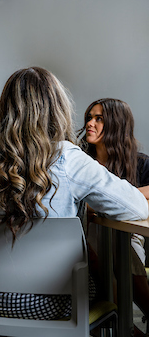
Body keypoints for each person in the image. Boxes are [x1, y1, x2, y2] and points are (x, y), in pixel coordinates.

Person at [0, 67, 148, 320]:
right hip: (51, 299)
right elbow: (137, 208)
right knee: (103, 262)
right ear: (56, 108)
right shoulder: (68, 157)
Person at [79, 98, 149, 336]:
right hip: (88, 238)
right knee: (102, 236)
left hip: (128, 238)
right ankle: (129, 328)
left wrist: (110, 198)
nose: (90, 123)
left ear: (116, 125)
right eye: (89, 117)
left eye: (99, 119)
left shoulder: (139, 162)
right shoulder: (80, 161)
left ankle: (125, 327)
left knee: (117, 239)